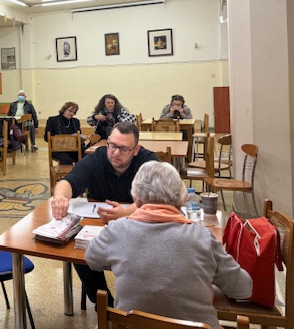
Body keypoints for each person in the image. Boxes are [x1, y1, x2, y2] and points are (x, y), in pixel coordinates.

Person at [85, 161, 252, 328]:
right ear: (182, 199)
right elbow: (243, 288)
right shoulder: (202, 237)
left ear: (135, 198)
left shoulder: (117, 230)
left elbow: (91, 259)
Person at [50, 122, 158, 307]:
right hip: (99, 226)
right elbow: (68, 182)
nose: (115, 153)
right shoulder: (96, 159)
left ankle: (137, 307)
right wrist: (60, 196)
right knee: (80, 248)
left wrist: (125, 213)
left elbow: (154, 197)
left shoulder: (148, 161)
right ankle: (104, 305)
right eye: (112, 145)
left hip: (137, 226)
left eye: (123, 149)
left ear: (136, 150)